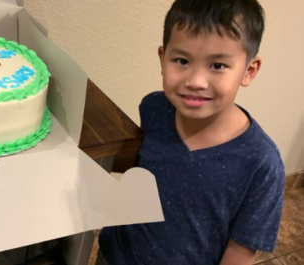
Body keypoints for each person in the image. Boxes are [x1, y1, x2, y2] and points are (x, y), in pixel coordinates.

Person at [96, 0, 285, 264]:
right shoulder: (154, 108)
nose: (195, 81)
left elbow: (240, 253)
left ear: (248, 70)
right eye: (182, 60)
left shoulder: (262, 163)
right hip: (115, 254)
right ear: (163, 59)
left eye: (218, 65)